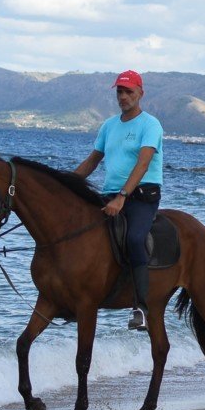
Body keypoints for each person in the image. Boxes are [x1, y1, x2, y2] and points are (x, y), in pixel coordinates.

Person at [75, 70, 164, 332]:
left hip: (141, 195)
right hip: (110, 194)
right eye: (119, 92)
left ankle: (142, 308)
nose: (123, 97)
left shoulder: (150, 125)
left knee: (135, 238)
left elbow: (144, 162)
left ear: (140, 93)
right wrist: (63, 183)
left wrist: (123, 197)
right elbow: (93, 161)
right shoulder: (109, 126)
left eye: (129, 92)